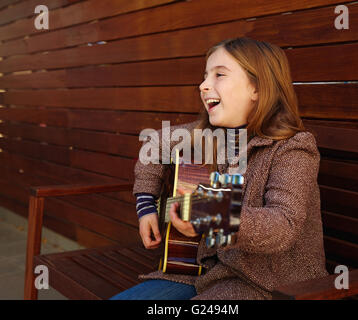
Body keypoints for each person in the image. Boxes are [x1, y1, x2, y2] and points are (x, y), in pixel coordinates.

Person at [109, 37, 328, 300]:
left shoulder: (293, 147)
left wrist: (210, 212)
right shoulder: (207, 134)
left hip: (269, 286)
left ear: (257, 88)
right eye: (205, 76)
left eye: (219, 75)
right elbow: (154, 144)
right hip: (204, 272)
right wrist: (146, 205)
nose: (203, 85)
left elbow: (282, 226)